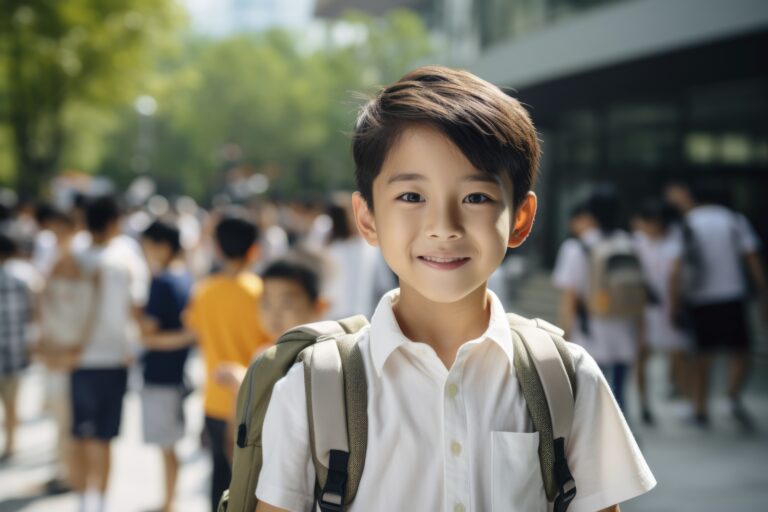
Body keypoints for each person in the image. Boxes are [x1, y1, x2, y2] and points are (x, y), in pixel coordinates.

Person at [254, 67, 655, 512]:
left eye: (476, 197)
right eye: (411, 197)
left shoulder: (566, 377)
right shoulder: (312, 386)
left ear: (520, 219)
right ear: (367, 217)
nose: (443, 227)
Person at [182, 209, 271, 512]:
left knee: (219, 482)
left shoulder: (204, 292)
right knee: (253, 486)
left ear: (217, 248)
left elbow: (193, 329)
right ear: (255, 249)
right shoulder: (262, 293)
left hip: (215, 401)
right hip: (254, 402)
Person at [665, 181, 768, 428]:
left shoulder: (688, 222)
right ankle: (731, 397)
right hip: (733, 294)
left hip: (699, 297)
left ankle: (700, 409)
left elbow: (676, 269)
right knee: (740, 350)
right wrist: (763, 292)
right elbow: (752, 258)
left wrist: (675, 301)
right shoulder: (735, 220)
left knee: (701, 356)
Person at [69, 195, 148, 512]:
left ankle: (81, 501)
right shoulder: (127, 255)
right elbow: (137, 308)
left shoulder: (74, 254)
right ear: (115, 221)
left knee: (80, 435)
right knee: (105, 437)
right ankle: (100, 503)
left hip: (77, 356)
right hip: (116, 357)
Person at [552, 189, 646, 415]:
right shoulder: (631, 243)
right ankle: (624, 434)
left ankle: (599, 441)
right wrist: (642, 332)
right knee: (620, 391)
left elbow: (570, 299)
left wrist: (563, 335)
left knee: (591, 392)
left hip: (591, 328)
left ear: (591, 213)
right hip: (624, 325)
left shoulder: (577, 247)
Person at [36, 209, 97, 494]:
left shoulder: (82, 259)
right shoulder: (52, 257)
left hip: (74, 354)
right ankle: (67, 472)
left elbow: (88, 310)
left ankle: (73, 476)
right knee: (61, 418)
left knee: (71, 421)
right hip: (56, 350)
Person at [137, 220, 193, 512]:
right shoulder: (185, 276)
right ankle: (170, 499)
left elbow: (148, 335)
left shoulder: (162, 281)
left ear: (162, 246)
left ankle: (169, 502)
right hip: (177, 372)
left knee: (167, 446)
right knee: (171, 445)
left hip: (160, 375)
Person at [214, 252, 330, 393]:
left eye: (287, 304)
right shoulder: (263, 354)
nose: (275, 314)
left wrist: (240, 381)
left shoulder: (319, 360)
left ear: (319, 307)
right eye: (266, 304)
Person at [632, 199, 692, 424]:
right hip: (644, 308)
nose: (649, 227)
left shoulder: (673, 244)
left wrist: (676, 307)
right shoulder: (636, 241)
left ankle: (686, 400)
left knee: (678, 354)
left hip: (668, 307)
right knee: (642, 355)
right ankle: (644, 404)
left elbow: (676, 277)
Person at [0, 233, 32, 463]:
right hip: (14, 351)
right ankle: (11, 444)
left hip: (11, 350)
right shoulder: (21, 280)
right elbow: (30, 316)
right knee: (12, 404)